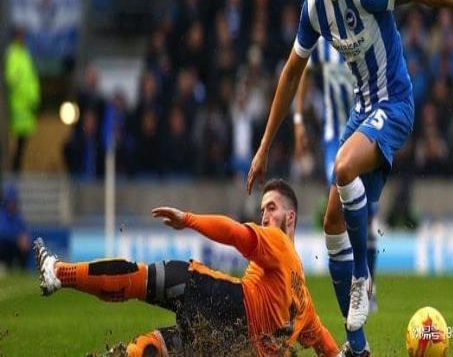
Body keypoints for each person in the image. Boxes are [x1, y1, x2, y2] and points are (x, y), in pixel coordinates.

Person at [246, 0, 453, 355]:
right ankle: (357, 347)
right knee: (331, 223)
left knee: (343, 167)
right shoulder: (313, 8)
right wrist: (265, 146)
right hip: (361, 113)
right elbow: (291, 74)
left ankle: (362, 276)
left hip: (395, 104)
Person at [34, 179, 339, 356]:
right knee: (152, 349)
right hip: (234, 348)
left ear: (290, 218)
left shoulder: (277, 241)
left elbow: (235, 233)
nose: (264, 217)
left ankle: (59, 273)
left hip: (229, 305)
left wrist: (189, 219)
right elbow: (326, 345)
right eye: (262, 210)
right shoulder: (305, 305)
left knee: (147, 278)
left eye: (271, 208)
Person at [294, 37, 379, 313]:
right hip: (335, 139)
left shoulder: (364, 36)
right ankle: (356, 284)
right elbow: (303, 70)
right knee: (341, 209)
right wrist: (298, 120)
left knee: (368, 214)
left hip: (365, 134)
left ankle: (368, 285)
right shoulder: (323, 43)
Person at [4, 28, 40, 172]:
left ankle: (15, 171)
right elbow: (12, 79)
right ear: (15, 37)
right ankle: (11, 171)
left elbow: (30, 78)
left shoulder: (25, 54)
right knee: (13, 142)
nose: (23, 39)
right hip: (16, 105)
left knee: (22, 143)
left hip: (27, 105)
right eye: (21, 36)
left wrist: (34, 98)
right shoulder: (12, 54)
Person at [0, 184, 30, 269]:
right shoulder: (2, 213)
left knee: (25, 245)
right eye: (11, 201)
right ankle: (7, 267)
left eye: (14, 201)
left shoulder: (18, 216)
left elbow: (24, 231)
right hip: (5, 245)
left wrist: (24, 239)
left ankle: (22, 269)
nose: (12, 204)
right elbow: (3, 232)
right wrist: (17, 239)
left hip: (16, 246)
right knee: (6, 245)